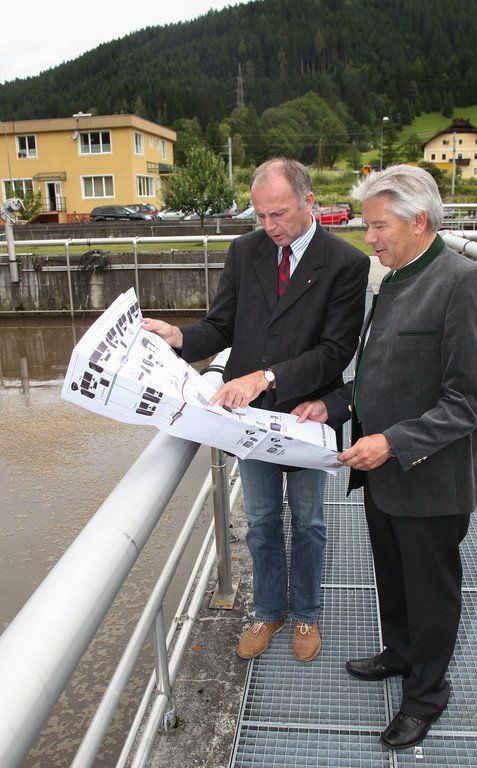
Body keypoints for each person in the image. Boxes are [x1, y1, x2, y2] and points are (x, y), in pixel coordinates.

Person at [293, 164, 477, 746]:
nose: (369, 238)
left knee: (431, 590)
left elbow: (470, 403)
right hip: (384, 473)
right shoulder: (393, 280)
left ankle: (427, 694)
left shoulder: (466, 284)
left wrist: (390, 442)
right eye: (366, 226)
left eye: (379, 226)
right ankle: (401, 653)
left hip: (431, 477)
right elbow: (376, 375)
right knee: (392, 573)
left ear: (419, 221)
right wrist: (332, 405)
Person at [143, 157, 369, 662]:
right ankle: (268, 611)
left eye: (279, 214)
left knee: (309, 523)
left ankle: (306, 613)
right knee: (262, 521)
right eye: (261, 215)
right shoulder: (246, 251)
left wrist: (265, 377)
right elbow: (220, 326)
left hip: (306, 414)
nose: (269, 226)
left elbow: (336, 352)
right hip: (248, 421)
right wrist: (179, 337)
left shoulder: (346, 264)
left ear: (309, 202)